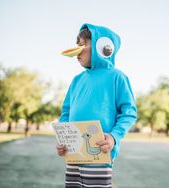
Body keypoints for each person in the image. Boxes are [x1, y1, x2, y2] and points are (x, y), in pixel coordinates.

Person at [56, 23, 137, 188]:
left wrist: (114, 137)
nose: (77, 51)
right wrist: (63, 138)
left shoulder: (117, 77)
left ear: (102, 47)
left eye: (81, 45)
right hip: (74, 154)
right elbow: (66, 112)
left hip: (100, 152)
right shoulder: (76, 80)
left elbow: (128, 112)